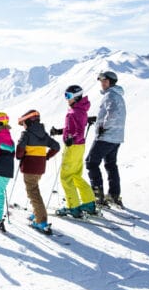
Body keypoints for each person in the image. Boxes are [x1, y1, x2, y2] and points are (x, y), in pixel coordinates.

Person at [50, 85, 97, 218]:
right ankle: (89, 203)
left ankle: (73, 207)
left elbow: (78, 132)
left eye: (68, 96)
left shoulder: (74, 112)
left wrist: (71, 139)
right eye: (65, 96)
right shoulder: (80, 109)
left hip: (73, 147)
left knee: (66, 178)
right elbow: (74, 128)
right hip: (79, 147)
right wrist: (60, 132)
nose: (67, 99)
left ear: (76, 97)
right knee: (76, 176)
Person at [85, 71, 127, 207]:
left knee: (91, 163)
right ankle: (114, 196)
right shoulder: (118, 95)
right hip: (116, 137)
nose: (102, 84)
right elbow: (113, 113)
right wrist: (98, 120)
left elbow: (113, 113)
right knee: (110, 165)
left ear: (110, 82)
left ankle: (98, 197)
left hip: (106, 137)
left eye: (104, 81)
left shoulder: (110, 95)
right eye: (101, 81)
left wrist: (103, 127)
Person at [15, 109, 60, 234]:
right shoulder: (44, 134)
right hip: (40, 168)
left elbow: (19, 150)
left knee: (33, 193)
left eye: (23, 123)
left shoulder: (26, 134)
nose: (23, 126)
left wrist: (19, 156)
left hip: (30, 167)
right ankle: (37, 214)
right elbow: (56, 146)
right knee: (34, 190)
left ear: (28, 122)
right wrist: (46, 156)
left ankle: (41, 221)